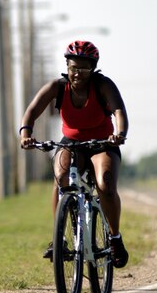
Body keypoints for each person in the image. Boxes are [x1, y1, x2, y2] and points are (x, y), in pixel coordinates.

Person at [19, 40, 129, 268]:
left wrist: (119, 133)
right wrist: (25, 134)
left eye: (83, 68)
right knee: (60, 177)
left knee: (105, 184)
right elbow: (31, 111)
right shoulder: (57, 87)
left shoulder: (103, 85)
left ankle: (115, 238)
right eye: (73, 67)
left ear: (93, 68)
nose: (77, 73)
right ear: (66, 66)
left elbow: (119, 110)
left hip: (102, 143)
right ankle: (60, 237)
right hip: (72, 143)